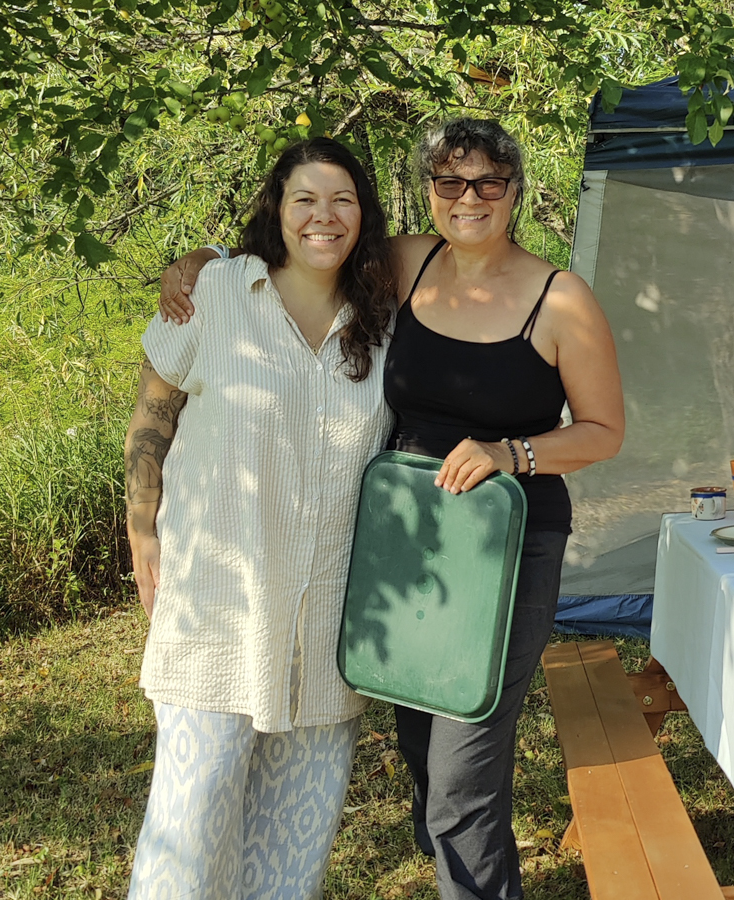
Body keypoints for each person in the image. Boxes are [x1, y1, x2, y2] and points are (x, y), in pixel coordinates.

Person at [159, 117, 625, 900]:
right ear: (429, 194)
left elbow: (605, 431)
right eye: (449, 181)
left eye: (488, 182)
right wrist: (205, 261)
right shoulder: (410, 262)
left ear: (515, 191)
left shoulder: (561, 298)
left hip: (507, 544)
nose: (468, 197)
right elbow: (299, 260)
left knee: (459, 774)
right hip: (408, 539)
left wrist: (514, 453)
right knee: (422, 747)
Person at [125, 137, 397, 899]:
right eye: (304, 198)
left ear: (364, 215)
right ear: (275, 209)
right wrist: (142, 531)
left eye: (342, 198)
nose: (323, 216)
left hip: (325, 627)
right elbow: (152, 414)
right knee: (186, 841)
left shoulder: (381, 319)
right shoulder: (216, 292)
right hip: (216, 612)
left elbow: (459, 240)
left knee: (291, 855)